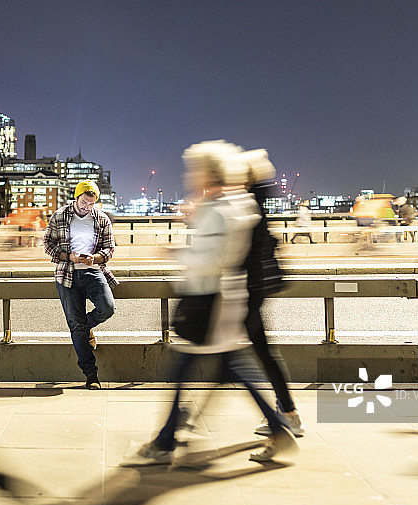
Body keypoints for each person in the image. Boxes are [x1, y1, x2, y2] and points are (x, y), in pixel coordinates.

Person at [124, 141, 296, 466]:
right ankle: (277, 428)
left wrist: (178, 254)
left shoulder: (220, 210)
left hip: (208, 303)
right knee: (231, 368)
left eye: (195, 170)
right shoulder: (226, 205)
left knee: (180, 372)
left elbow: (215, 259)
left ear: (209, 173)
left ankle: (164, 442)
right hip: (218, 301)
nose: (191, 176)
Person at [242, 149, 304, 438]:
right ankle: (286, 413)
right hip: (254, 287)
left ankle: (285, 415)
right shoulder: (259, 199)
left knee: (252, 355)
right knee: (262, 352)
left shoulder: (247, 202)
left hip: (246, 288)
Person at [43, 180, 117, 390]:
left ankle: (86, 329)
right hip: (67, 274)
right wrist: (69, 257)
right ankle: (91, 375)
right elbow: (48, 245)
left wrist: (95, 258)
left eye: (91, 204)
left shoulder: (101, 219)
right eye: (84, 202)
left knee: (107, 308)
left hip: (93, 272)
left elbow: (110, 248)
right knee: (75, 324)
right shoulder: (60, 216)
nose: (87, 207)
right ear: (76, 198)